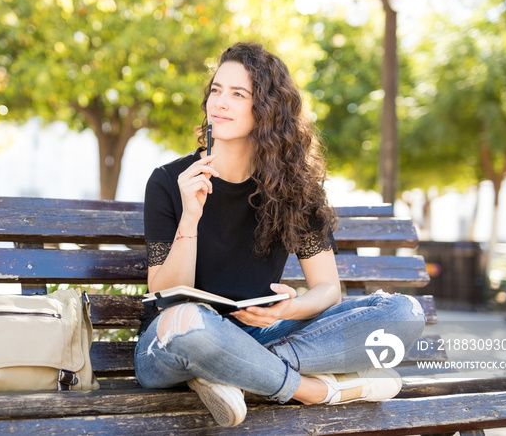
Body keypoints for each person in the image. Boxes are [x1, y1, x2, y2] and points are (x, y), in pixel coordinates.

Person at [135, 41, 426, 427]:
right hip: (173, 342)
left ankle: (233, 374)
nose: (219, 102)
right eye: (216, 90)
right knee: (193, 323)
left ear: (268, 111)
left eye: (238, 94)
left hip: (260, 335)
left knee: (402, 313)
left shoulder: (293, 190)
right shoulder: (170, 182)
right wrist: (190, 219)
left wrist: (290, 309)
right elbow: (165, 295)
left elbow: (326, 290)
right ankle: (314, 390)